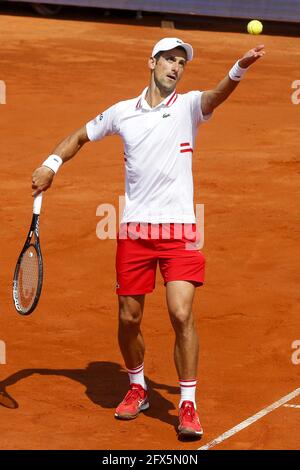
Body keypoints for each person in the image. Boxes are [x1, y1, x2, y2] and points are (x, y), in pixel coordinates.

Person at [31, 37, 265, 438]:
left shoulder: (189, 106)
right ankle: (137, 387)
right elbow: (80, 136)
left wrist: (237, 69)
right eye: (169, 60)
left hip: (179, 230)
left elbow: (216, 95)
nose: (176, 67)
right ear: (151, 63)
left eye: (181, 63)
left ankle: (187, 403)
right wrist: (50, 165)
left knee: (180, 312)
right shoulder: (123, 113)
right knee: (129, 317)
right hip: (135, 231)